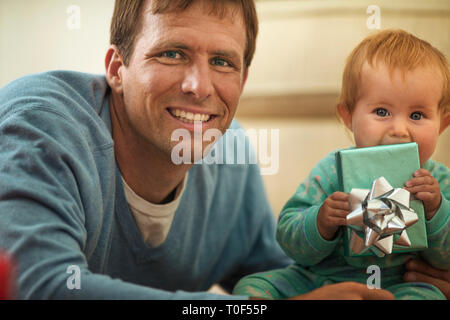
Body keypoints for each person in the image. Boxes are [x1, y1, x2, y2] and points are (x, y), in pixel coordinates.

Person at [0, 0, 396, 300]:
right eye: (172, 53)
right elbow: (38, 285)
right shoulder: (41, 124)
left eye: (222, 62)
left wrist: (408, 276)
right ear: (117, 68)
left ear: (242, 80)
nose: (200, 86)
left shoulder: (230, 152)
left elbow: (282, 280)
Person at [233, 29, 450, 300]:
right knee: (251, 288)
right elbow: (288, 239)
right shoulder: (332, 171)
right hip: (320, 281)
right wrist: (321, 221)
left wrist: (436, 210)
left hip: (399, 284)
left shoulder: (438, 182)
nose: (399, 130)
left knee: (430, 296)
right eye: (381, 112)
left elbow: (445, 259)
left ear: (442, 124)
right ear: (348, 116)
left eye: (417, 115)